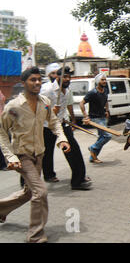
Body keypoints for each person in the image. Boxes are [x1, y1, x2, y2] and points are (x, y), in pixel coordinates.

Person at [0, 67, 70, 243]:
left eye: (39, 79)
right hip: (22, 155)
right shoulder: (14, 107)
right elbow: (1, 131)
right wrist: (11, 157)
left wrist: (62, 139)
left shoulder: (45, 103)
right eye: (33, 80)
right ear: (23, 83)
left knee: (29, 193)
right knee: (41, 191)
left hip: (39, 153)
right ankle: (36, 236)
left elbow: (54, 123)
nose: (37, 83)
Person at [40, 66, 92, 190]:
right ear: (57, 77)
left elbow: (66, 107)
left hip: (61, 125)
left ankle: (78, 180)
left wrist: (70, 120)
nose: (67, 79)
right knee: (47, 152)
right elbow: (39, 109)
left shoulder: (67, 90)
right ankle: (48, 175)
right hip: (47, 126)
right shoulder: (47, 90)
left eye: (69, 77)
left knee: (73, 149)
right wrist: (50, 111)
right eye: (64, 76)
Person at [79, 73, 112, 163]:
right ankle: (92, 148)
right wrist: (86, 116)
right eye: (102, 80)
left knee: (102, 137)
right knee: (107, 135)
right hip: (95, 118)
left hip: (102, 117)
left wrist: (107, 110)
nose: (104, 81)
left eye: (105, 79)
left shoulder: (105, 90)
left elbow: (106, 101)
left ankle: (93, 157)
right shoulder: (92, 93)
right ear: (98, 81)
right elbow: (81, 103)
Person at [40, 62, 61, 182]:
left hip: (54, 124)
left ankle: (49, 174)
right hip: (44, 125)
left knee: (49, 150)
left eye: (57, 73)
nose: (55, 75)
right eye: (52, 73)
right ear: (48, 75)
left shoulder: (63, 87)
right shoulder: (46, 89)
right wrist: (50, 110)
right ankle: (26, 179)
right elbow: (41, 105)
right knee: (39, 151)